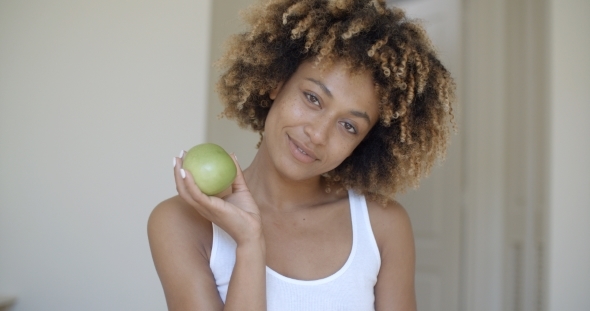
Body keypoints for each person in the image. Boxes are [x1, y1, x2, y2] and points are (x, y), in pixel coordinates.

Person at [148, 0, 455, 310]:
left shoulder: (383, 227)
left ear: (364, 142)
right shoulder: (181, 223)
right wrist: (250, 242)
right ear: (275, 83)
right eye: (312, 98)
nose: (318, 135)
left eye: (348, 125)